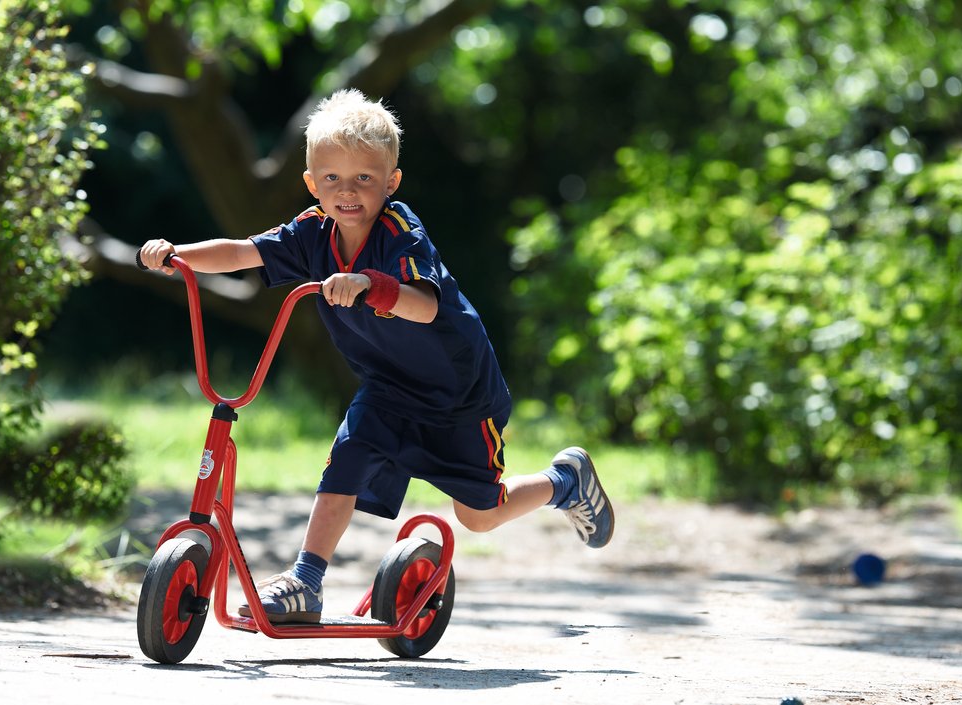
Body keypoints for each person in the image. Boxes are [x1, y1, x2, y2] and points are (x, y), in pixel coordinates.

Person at [136, 89, 615, 624]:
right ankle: (305, 583)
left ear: (391, 182)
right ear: (312, 184)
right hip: (387, 387)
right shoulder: (310, 234)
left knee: (479, 516)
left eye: (364, 178)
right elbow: (243, 251)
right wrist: (178, 256)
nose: (348, 191)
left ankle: (564, 482)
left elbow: (425, 306)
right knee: (344, 463)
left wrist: (370, 285)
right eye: (333, 179)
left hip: (458, 392)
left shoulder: (399, 233)